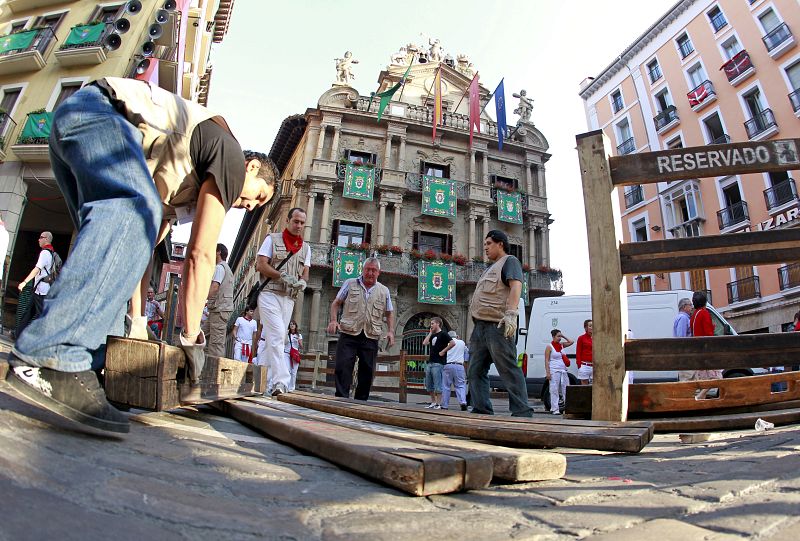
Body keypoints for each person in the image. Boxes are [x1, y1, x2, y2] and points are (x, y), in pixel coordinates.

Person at [6, 76, 276, 433]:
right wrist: (191, 339)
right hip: (95, 114)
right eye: (259, 195)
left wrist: (136, 321)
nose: (250, 206)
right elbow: (199, 255)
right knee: (135, 210)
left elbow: (138, 252)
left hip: (76, 130)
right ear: (252, 168)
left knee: (117, 249)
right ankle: (52, 353)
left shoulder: (184, 188)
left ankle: (86, 370)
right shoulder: (229, 157)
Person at [468, 230, 533, 417]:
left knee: (508, 369)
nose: (486, 247)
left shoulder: (510, 261)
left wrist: (511, 313)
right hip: (480, 326)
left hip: (498, 325)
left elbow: (516, 286)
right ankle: (481, 410)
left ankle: (522, 412)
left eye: (489, 243)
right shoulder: (491, 268)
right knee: (475, 370)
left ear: (500, 244)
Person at [256, 207, 310, 396]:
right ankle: (281, 382)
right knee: (279, 335)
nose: (299, 225)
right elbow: (261, 264)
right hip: (269, 294)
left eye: (302, 223)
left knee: (273, 339)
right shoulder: (272, 239)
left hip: (288, 299)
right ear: (287, 221)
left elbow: (305, 274)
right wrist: (281, 276)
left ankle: (260, 380)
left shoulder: (306, 248)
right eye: (296, 221)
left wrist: (302, 283)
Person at [328, 257, 395, 400]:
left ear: (379, 272)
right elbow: (336, 303)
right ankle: (341, 399)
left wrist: (390, 331)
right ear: (363, 270)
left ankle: (361, 401)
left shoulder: (384, 291)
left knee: (367, 371)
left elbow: (389, 313)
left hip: (370, 335)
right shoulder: (350, 283)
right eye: (368, 269)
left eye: (374, 270)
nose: (370, 273)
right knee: (343, 366)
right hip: (349, 332)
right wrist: (333, 321)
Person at [15, 231, 56, 336]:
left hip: (42, 290)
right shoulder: (50, 252)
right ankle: (18, 335)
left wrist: (24, 282)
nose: (39, 239)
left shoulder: (45, 253)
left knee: (40, 316)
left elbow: (37, 269)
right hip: (39, 289)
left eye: (41, 237)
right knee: (28, 313)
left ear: (46, 239)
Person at [689, 290, 722, 399]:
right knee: (716, 377)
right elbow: (708, 334)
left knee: (706, 378)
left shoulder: (694, 315)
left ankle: (701, 397)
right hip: (706, 349)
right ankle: (700, 396)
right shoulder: (704, 313)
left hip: (698, 349)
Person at [207, 243, 234, 357]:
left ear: (218, 252)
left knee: (216, 344)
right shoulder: (226, 268)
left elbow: (214, 287)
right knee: (201, 337)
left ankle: (215, 373)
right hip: (218, 310)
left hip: (219, 310)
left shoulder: (219, 267)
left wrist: (202, 299)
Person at [422, 317, 450, 409]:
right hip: (430, 362)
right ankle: (433, 402)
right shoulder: (433, 335)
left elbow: (453, 343)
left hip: (438, 363)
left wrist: (443, 351)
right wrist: (430, 332)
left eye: (432, 323)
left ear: (438, 323)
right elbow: (425, 343)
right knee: (429, 384)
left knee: (438, 384)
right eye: (431, 323)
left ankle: (438, 403)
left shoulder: (444, 334)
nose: (431, 325)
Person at [545, 329, 574, 415]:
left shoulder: (561, 345)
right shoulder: (549, 347)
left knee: (566, 389)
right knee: (554, 389)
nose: (559, 338)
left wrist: (563, 335)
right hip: (554, 370)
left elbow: (571, 342)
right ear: (553, 337)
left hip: (563, 370)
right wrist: (548, 373)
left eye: (560, 336)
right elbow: (546, 360)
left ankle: (568, 408)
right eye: (558, 336)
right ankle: (555, 409)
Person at [439, 330, 468, 411]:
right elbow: (467, 353)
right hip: (459, 366)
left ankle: (445, 405)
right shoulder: (462, 343)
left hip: (447, 365)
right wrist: (464, 361)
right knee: (460, 385)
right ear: (457, 336)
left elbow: (441, 354)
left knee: (446, 386)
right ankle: (463, 402)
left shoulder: (446, 344)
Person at [673, 297, 694, 382]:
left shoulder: (682, 317)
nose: (692, 307)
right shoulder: (683, 318)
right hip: (685, 355)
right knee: (687, 379)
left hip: (684, 355)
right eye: (690, 305)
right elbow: (681, 338)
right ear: (684, 307)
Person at [284, 320, 303, 391]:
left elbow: (301, 346)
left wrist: (298, 341)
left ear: (295, 326)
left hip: (295, 354)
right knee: (287, 370)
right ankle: (287, 386)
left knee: (294, 372)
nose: (292, 325)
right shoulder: (286, 334)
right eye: (291, 324)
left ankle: (292, 387)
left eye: (293, 324)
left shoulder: (298, 335)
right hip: (287, 353)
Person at [575, 319, 593, 385]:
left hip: (594, 366)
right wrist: (579, 365)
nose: (592, 327)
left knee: (595, 387)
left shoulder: (597, 338)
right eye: (590, 326)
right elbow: (578, 352)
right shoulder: (581, 338)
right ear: (586, 328)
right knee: (585, 387)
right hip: (584, 365)